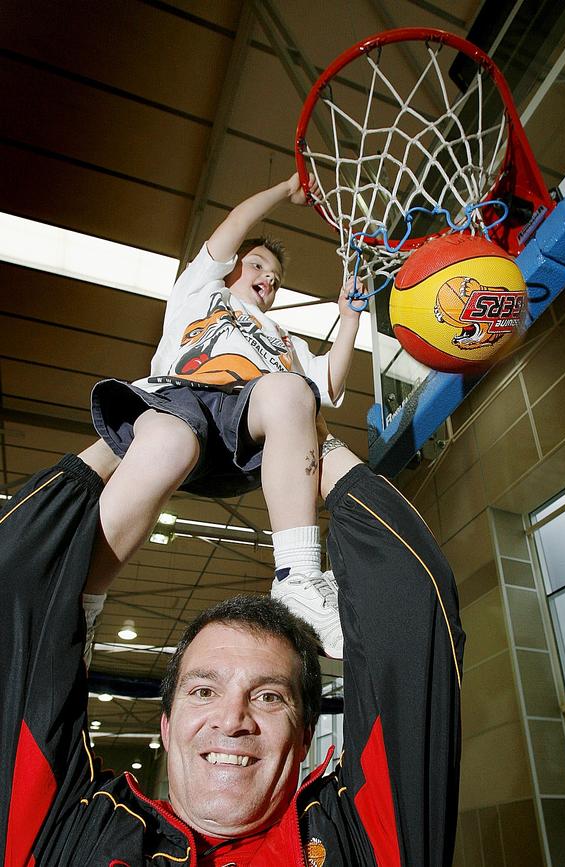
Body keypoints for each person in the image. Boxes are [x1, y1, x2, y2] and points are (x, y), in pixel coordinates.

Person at [0, 430, 464, 866]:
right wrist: (134, 430)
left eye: (268, 696)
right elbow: (17, 610)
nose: (231, 720)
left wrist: (306, 430)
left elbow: (413, 612)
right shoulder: (73, 834)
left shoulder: (358, 840)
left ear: (305, 736)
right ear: (166, 725)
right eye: (203, 691)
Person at [81, 172, 365, 658]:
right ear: (231, 267)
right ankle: (82, 608)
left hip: (243, 427)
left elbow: (331, 384)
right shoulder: (202, 293)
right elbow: (237, 223)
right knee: (166, 446)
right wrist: (285, 190)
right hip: (181, 398)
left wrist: (351, 317)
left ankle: (297, 577)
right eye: (257, 265)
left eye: (275, 279)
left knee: (295, 392)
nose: (268, 280)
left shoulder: (284, 340)